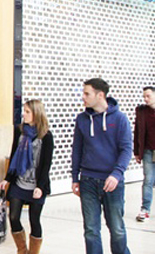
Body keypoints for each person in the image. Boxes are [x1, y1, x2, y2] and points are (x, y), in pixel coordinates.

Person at [71, 78, 132, 254]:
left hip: (112, 182)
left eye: (87, 94)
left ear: (100, 95)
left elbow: (126, 149)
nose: (83, 97)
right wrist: (75, 178)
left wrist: (116, 174)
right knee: (91, 230)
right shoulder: (82, 119)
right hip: (88, 181)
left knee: (117, 228)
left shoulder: (120, 119)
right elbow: (77, 150)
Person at [0, 99, 53, 254]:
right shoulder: (20, 131)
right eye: (24, 111)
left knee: (34, 220)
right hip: (19, 182)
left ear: (36, 113)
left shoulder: (46, 136)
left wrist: (40, 187)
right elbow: (13, 155)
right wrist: (7, 179)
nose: (24, 114)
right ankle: (22, 250)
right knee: (13, 217)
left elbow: (46, 164)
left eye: (27, 112)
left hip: (37, 185)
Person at [134, 86, 155, 222]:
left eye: (148, 96)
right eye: (144, 97)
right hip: (148, 150)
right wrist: (137, 151)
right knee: (148, 180)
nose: (146, 99)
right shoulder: (142, 112)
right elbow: (137, 132)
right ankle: (145, 209)